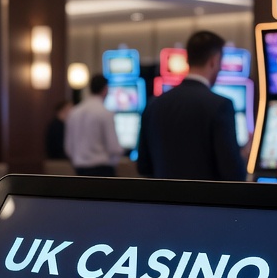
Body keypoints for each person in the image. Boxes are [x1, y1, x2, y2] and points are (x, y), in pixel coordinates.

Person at [136, 31, 246, 182]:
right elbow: (233, 174)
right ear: (214, 60)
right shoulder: (220, 105)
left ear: (188, 59)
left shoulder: (154, 104)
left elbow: (143, 167)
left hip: (163, 196)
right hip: (206, 197)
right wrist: (243, 156)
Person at [65, 74, 124, 177]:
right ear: (105, 89)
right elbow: (113, 147)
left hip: (79, 169)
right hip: (102, 169)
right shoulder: (105, 112)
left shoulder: (74, 112)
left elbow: (69, 148)